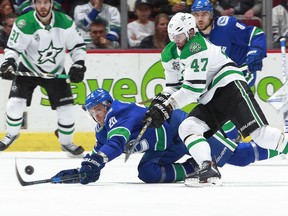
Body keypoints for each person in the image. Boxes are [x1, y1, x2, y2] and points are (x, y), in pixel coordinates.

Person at [142, 12, 288, 186]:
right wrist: (161, 100)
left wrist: (168, 106)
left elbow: (192, 90)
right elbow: (173, 85)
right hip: (209, 98)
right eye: (173, 36)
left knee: (260, 135)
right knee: (188, 127)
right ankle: (207, 167)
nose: (176, 40)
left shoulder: (197, 46)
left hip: (229, 87)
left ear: (190, 32)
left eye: (179, 35)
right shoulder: (169, 53)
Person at [52, 88, 280, 185]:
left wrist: (99, 160)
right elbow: (99, 152)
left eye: (99, 109)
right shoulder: (102, 130)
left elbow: (116, 143)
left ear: (108, 105)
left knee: (238, 157)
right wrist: (83, 171)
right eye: (93, 112)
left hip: (182, 131)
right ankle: (193, 169)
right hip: (163, 149)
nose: (97, 115)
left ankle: (280, 145)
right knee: (146, 172)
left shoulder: (119, 112)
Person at [0, 0, 87, 157]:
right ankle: (11, 134)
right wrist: (9, 62)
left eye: (46, 2)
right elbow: (13, 48)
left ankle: (66, 143)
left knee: (67, 110)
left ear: (51, 4)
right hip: (28, 68)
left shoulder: (65, 22)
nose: (42, 6)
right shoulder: (23, 23)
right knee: (14, 103)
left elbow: (77, 46)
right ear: (34, 3)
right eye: (39, 2)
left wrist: (79, 64)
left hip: (56, 70)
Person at [191, 0, 267, 142]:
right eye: (196, 15)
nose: (200, 19)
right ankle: (233, 136)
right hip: (220, 75)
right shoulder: (193, 37)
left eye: (204, 14)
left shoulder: (226, 26)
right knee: (212, 101)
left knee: (225, 98)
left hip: (242, 69)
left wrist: (256, 51)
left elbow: (256, 34)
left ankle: (242, 135)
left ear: (211, 14)